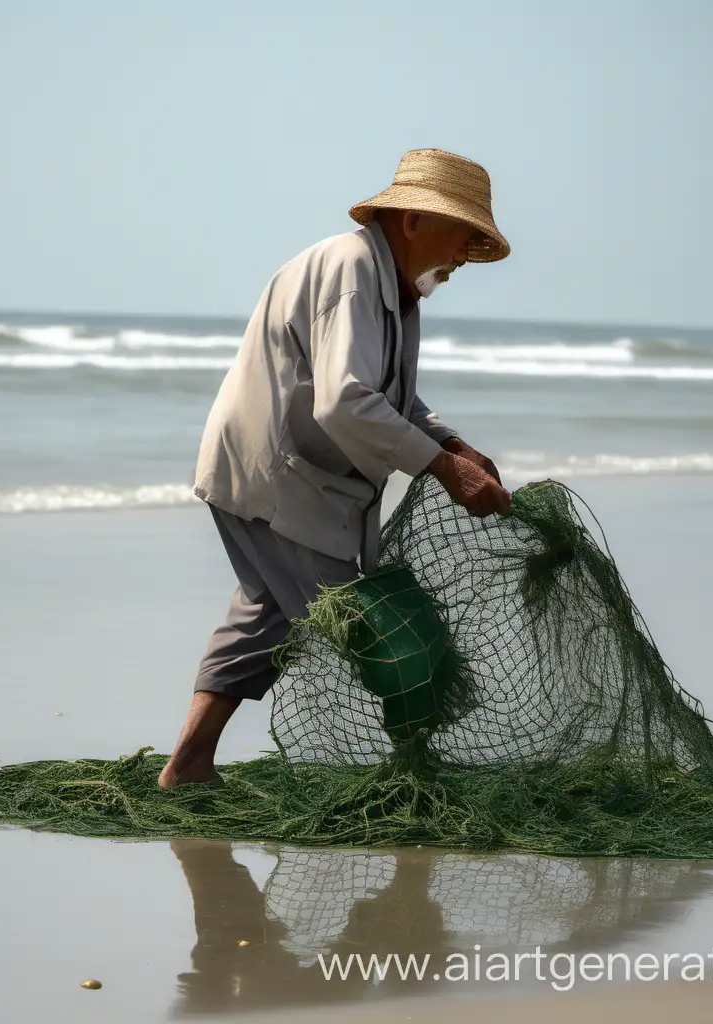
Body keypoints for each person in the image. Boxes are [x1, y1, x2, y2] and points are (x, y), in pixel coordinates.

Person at [159, 148, 511, 789]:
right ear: (412, 220)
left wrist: (454, 446)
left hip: (287, 477)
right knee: (381, 635)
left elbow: (389, 397)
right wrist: (439, 468)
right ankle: (414, 774)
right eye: (463, 234)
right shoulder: (352, 273)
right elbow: (346, 401)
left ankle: (188, 765)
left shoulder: (395, 290)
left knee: (266, 613)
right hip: (276, 478)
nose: (464, 254)